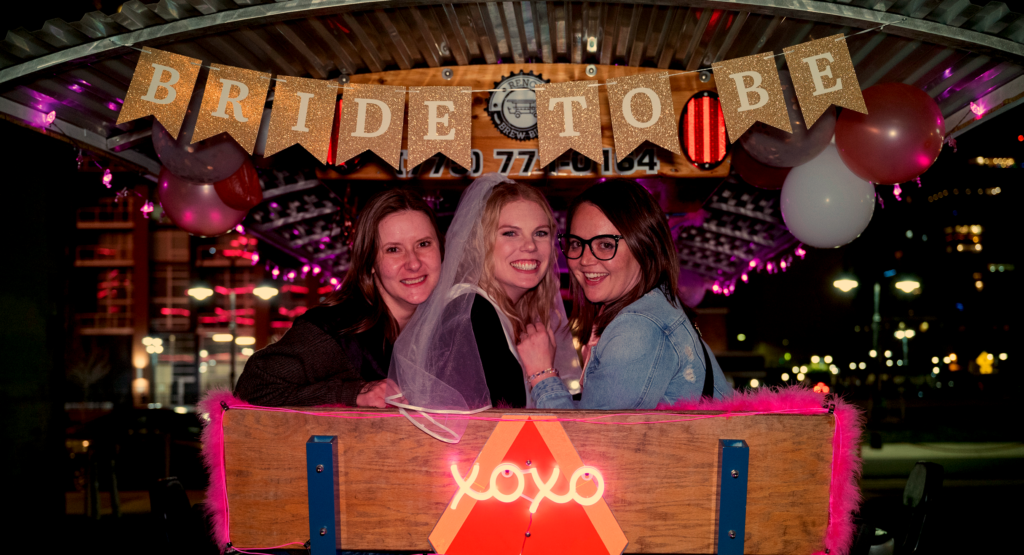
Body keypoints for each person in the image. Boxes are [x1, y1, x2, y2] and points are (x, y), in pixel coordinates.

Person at [386, 173, 579, 442]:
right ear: (481, 243)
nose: (530, 246)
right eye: (510, 233)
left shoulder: (498, 311)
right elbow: (492, 439)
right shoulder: (473, 314)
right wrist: (541, 373)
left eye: (541, 233)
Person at [520, 178, 729, 409]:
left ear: (646, 247)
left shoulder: (638, 327)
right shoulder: (654, 307)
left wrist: (541, 374)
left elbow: (584, 440)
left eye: (606, 245)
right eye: (576, 243)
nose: (584, 259)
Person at [234, 189, 443, 407]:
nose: (414, 263)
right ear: (370, 262)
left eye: (423, 244)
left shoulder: (450, 324)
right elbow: (252, 388)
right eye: (393, 249)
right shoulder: (336, 331)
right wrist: (352, 393)